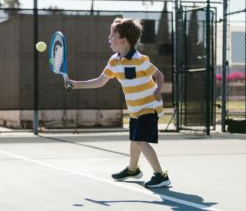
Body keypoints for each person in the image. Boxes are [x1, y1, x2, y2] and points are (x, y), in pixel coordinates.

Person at [66, 17, 171, 188]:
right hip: (135, 108)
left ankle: (160, 175)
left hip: (149, 106)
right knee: (134, 139)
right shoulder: (114, 61)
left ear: (124, 40)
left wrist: (158, 90)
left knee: (140, 140)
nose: (109, 38)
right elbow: (100, 81)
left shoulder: (141, 60)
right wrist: (75, 84)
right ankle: (133, 170)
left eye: (113, 34)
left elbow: (159, 75)